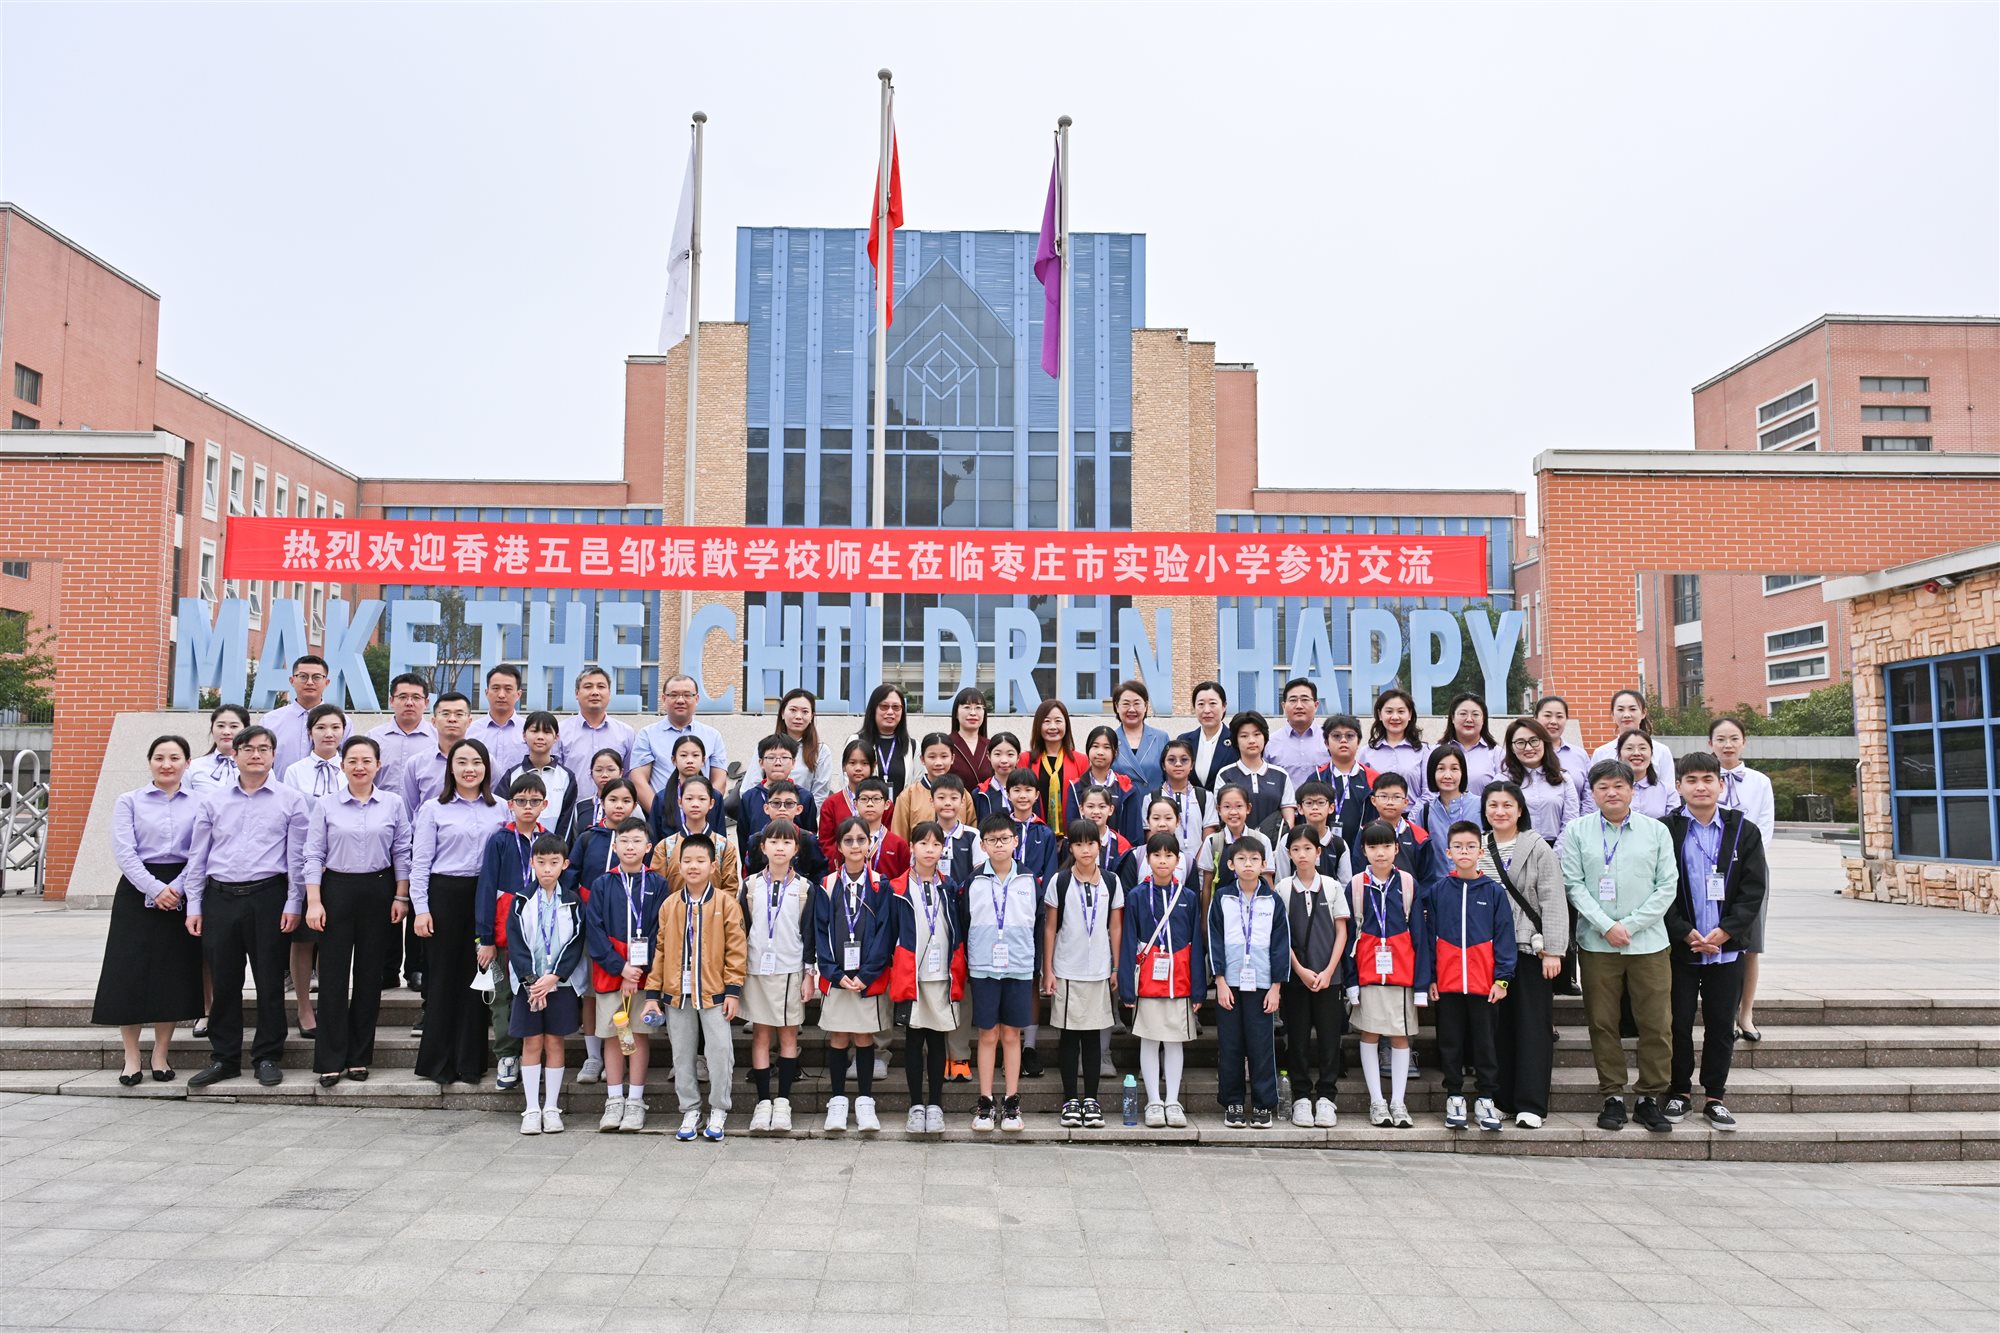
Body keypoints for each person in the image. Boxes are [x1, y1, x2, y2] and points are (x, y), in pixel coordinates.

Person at [183, 725, 308, 1089]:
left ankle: (267, 1056)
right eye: (248, 749)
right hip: (220, 898)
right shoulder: (213, 801)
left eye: (264, 749)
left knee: (270, 981)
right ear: (234, 754)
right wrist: (194, 905)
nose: (256, 755)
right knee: (225, 982)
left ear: (273, 756)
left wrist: (294, 902)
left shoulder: (291, 800)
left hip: (269, 897)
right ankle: (224, 1058)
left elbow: (297, 858)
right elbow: (198, 857)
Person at [1562, 758, 1679, 1133]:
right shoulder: (1577, 830)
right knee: (1602, 1021)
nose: (1611, 793)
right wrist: (1606, 925)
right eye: (1603, 787)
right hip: (1597, 944)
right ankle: (1612, 1094)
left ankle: (1649, 1097)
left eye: (1618, 786)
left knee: (1656, 1022)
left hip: (1649, 943)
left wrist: (1629, 925)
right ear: (1593, 793)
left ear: (1632, 790)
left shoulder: (1656, 831)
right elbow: (1573, 884)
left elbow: (1667, 886)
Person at [1663, 752, 1768, 1132]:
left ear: (1721, 784)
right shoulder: (1666, 829)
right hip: (1682, 947)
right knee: (1677, 1023)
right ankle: (1678, 1090)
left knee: (1721, 1024)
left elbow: (1753, 889)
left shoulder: (1743, 830)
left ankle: (1714, 1097)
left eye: (1708, 779)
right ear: (1678, 786)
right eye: (1691, 780)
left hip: (1726, 949)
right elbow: (1659, 887)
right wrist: (1682, 930)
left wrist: (1727, 931)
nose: (1700, 787)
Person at [94, 735, 205, 1085]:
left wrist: (178, 888)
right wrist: (155, 889)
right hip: (137, 887)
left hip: (182, 886)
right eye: (159, 757)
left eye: (174, 757)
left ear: (187, 763)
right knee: (129, 972)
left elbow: (201, 851)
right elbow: (124, 852)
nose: (166, 764)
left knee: (171, 973)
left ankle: (160, 1053)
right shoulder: (129, 801)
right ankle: (131, 1056)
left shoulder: (201, 803)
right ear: (149, 762)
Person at [301, 736, 411, 1086]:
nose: (359, 767)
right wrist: (314, 901)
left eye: (366, 761)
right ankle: (330, 1059)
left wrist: (401, 896)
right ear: (342, 765)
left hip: (379, 889)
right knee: (333, 977)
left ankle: (359, 1056)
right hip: (336, 889)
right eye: (352, 761)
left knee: (369, 977)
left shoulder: (393, 803)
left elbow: (402, 852)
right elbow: (313, 854)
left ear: (378, 765)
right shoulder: (326, 805)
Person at [410, 739, 504, 1086]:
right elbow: (420, 863)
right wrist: (421, 909)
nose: (469, 769)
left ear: (486, 768)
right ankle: (439, 1062)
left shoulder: (501, 808)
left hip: (485, 896)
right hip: (444, 896)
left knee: (478, 978)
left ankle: (470, 1062)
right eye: (462, 762)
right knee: (443, 978)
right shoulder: (434, 808)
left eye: (477, 762)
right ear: (450, 768)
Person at [642, 831, 746, 1142]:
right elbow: (661, 950)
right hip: (677, 994)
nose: (693, 866)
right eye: (687, 860)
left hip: (714, 992)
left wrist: (733, 990)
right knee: (682, 1055)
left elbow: (736, 950)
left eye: (700, 860)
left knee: (720, 1052)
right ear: (678, 864)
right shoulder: (670, 905)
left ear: (713, 866)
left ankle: (719, 1108)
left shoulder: (726, 903)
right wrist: (653, 994)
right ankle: (689, 1108)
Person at [1478, 780, 1567, 1129]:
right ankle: (1502, 1099)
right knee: (1497, 1027)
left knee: (1532, 1025)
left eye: (1507, 805)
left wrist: (1554, 951)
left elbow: (1553, 899)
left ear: (1520, 810)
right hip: (1488, 951)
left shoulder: (1537, 847)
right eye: (1493, 805)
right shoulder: (1478, 845)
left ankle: (1531, 1103)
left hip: (1530, 948)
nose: (1500, 811)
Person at [1428, 821, 1514, 1132]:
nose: (1464, 852)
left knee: (1485, 1044)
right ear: (1448, 852)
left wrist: (1502, 979)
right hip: (1448, 984)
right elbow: (1429, 937)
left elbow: (1504, 936)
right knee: (1450, 1042)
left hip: (1484, 985)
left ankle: (1486, 1098)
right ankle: (1454, 1096)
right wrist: (1431, 977)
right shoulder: (1438, 891)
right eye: (1458, 847)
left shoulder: (1493, 892)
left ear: (1481, 852)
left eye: (1470, 846)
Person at [583, 817, 666, 1132]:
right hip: (610, 973)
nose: (630, 847)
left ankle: (635, 1101)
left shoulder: (658, 884)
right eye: (624, 841)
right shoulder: (603, 884)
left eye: (637, 841)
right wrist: (621, 968)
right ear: (615, 846)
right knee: (614, 1035)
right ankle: (614, 1099)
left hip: (644, 975)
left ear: (648, 847)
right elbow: (594, 931)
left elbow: (661, 930)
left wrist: (638, 970)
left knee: (638, 1035)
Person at [1346, 820, 1430, 1128]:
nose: (1380, 852)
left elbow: (1420, 936)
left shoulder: (1407, 883)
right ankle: (1377, 1101)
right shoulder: (1356, 885)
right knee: (1369, 1034)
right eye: (1373, 846)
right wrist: (1351, 982)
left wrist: (1422, 984)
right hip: (1368, 972)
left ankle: (1398, 1102)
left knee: (1400, 1037)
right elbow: (1348, 937)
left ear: (1396, 848)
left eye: (1386, 846)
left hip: (1402, 973)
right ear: (1363, 850)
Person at [1041, 818, 1124, 1129]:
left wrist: (1116, 967)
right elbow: (1050, 928)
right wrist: (1048, 970)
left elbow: (1115, 927)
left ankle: (1091, 1099)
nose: (1085, 849)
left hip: (1099, 970)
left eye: (1090, 843)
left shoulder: (1111, 881)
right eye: (1078, 844)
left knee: (1093, 1038)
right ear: (1070, 848)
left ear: (1099, 845)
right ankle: (1070, 1100)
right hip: (1066, 969)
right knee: (1069, 1037)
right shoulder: (1060, 881)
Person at [1118, 830, 1203, 1129]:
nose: (1163, 860)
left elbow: (1197, 944)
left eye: (1169, 855)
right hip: (1148, 981)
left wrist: (1198, 989)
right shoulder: (1137, 895)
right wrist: (1127, 988)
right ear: (1148, 860)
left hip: (1180, 980)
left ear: (1178, 860)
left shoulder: (1188, 897)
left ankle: (1173, 1101)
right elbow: (1128, 942)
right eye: (1157, 855)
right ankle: (1154, 1101)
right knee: (1150, 1040)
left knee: (1175, 1041)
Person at [474, 773, 553, 1092]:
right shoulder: (500, 840)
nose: (527, 807)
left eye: (534, 801)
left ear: (545, 804)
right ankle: (507, 1055)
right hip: (502, 935)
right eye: (521, 801)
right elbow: (486, 888)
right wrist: (485, 939)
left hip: (541, 936)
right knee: (502, 997)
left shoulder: (550, 840)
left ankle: (535, 1055)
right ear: (510, 804)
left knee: (537, 992)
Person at [813, 817, 892, 1133]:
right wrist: (832, 973)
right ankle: (837, 1101)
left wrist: (869, 973)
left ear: (870, 845)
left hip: (865, 979)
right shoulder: (827, 884)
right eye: (849, 840)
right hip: (838, 977)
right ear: (839, 846)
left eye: (861, 839)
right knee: (838, 1037)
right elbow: (820, 931)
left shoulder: (880, 884)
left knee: (863, 1037)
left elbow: (885, 932)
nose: (856, 845)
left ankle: (865, 1101)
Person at [889, 822, 967, 1134]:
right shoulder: (897, 888)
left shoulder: (949, 887)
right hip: (912, 975)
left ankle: (935, 1104)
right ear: (912, 847)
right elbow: (890, 932)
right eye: (923, 843)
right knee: (913, 1041)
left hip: (941, 975)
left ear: (943, 849)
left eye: (936, 844)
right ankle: (915, 1105)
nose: (929, 850)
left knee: (937, 1040)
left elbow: (957, 929)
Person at [740, 818, 816, 1134]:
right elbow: (742, 930)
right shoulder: (750, 886)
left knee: (788, 1036)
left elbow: (809, 934)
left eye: (786, 842)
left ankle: (783, 1102)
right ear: (763, 847)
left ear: (796, 849)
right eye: (773, 841)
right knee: (760, 1035)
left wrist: (809, 974)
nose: (780, 847)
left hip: (790, 970)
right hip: (757, 970)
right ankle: (763, 1102)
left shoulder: (805, 888)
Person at [507, 834, 586, 1135]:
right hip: (528, 985)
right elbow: (516, 944)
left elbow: (575, 942)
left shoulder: (573, 901)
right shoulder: (521, 900)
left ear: (565, 864)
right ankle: (531, 1109)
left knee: (554, 1042)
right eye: (541, 862)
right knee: (532, 1042)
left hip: (559, 985)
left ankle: (551, 1107)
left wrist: (555, 976)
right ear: (532, 863)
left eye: (554, 862)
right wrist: (532, 981)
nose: (547, 869)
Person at [1208, 839, 1288, 1129]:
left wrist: (1276, 987)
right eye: (1241, 859)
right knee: (1230, 1044)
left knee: (1261, 1045)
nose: (1248, 865)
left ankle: (1263, 1104)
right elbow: (1214, 939)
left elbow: (1281, 945)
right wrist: (1219, 980)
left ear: (1264, 864)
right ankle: (1233, 1102)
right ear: (1231, 865)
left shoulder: (1273, 901)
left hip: (1262, 985)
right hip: (1229, 983)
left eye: (1255, 859)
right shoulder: (1222, 898)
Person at [1274, 823, 1349, 1128]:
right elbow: (1281, 936)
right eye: (1296, 849)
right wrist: (1299, 970)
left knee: (1330, 1038)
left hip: (1330, 977)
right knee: (1298, 1038)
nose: (1302, 854)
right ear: (1288, 854)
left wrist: (1329, 971)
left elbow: (1342, 932)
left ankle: (1327, 1097)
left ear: (1318, 852)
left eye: (1308, 848)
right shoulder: (1282, 889)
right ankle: (1302, 1097)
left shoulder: (1332, 886)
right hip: (1296, 978)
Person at [1708, 716, 1777, 1043]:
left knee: (1749, 945)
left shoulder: (1760, 782)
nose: (1727, 745)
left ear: (1744, 742)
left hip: (1749, 871)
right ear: (1710, 744)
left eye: (1734, 738)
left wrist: (1743, 864)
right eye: (1720, 739)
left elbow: (1764, 828)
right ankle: (1721, 1014)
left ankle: (1745, 1013)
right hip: (1708, 871)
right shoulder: (1702, 778)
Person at [967, 815, 1036, 1131]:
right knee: (987, 1034)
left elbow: (1038, 922)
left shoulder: (1029, 880)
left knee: (1011, 1034)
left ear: (1015, 841)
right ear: (983, 845)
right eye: (992, 840)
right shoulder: (974, 881)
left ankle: (1011, 1102)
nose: (999, 845)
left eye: (1005, 839)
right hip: (983, 967)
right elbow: (965, 920)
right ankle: (984, 1102)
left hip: (1018, 966)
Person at [630, 672, 729, 812]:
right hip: (662, 816)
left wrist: (701, 813)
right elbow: (639, 780)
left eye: (687, 695)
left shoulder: (712, 736)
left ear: (697, 698)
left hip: (702, 816)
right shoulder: (647, 735)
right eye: (674, 695)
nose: (680, 700)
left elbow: (719, 781)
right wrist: (661, 815)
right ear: (664, 698)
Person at [651, 775, 743, 901]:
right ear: (680, 802)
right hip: (675, 912)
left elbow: (730, 890)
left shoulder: (724, 846)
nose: (695, 804)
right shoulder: (665, 847)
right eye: (689, 798)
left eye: (702, 799)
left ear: (711, 803)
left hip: (715, 912)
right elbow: (658, 890)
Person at [496, 711, 578, 839]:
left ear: (556, 737)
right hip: (517, 845)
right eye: (534, 731)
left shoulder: (567, 777)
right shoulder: (511, 775)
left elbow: (566, 822)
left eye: (547, 732)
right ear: (524, 735)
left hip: (553, 849)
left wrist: (557, 847)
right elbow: (501, 813)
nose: (540, 737)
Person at [560, 664, 636, 796]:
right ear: (577, 693)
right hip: (572, 807)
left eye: (601, 686)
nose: (595, 692)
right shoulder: (560, 731)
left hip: (614, 807)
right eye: (588, 686)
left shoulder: (626, 733)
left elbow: (630, 776)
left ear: (609, 693)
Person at [1502, 718, 1579, 848]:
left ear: (1544, 742)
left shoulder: (1563, 779)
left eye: (1534, 741)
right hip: (1516, 849)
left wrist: (1554, 855)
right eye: (1520, 742)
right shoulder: (1503, 781)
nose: (1528, 748)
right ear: (1512, 748)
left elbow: (1571, 822)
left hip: (1558, 849)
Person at [739, 736, 820, 857]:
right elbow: (743, 838)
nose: (778, 763)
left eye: (784, 757)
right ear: (761, 762)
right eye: (771, 758)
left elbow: (809, 837)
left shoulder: (804, 796)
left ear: (793, 763)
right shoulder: (749, 797)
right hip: (759, 864)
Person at [260, 654, 340, 774]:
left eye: (317, 677)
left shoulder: (341, 722)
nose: (310, 682)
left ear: (327, 682)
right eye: (303, 676)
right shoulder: (269, 721)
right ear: (292, 681)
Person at [1215, 712, 1297, 829]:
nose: (1251, 740)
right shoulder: (1225, 775)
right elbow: (1221, 815)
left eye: (1257, 734)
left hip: (1273, 840)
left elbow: (1289, 819)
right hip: (1237, 839)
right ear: (1235, 741)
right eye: (1244, 736)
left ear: (1265, 737)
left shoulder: (1280, 775)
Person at [1306, 713, 1377, 848]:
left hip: (1364, 850)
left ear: (1358, 742)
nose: (1343, 740)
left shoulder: (1373, 779)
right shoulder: (1316, 778)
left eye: (1349, 736)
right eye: (1336, 736)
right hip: (1324, 849)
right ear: (1326, 743)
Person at [1136, 739, 1216, 856]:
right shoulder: (1152, 798)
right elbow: (1150, 835)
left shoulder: (1204, 796)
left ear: (1192, 765)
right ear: (1163, 765)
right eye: (1171, 760)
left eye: (1184, 760)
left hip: (1199, 863)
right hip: (1164, 862)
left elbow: (1209, 835)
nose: (1178, 764)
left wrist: (1196, 863)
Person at [1364, 772, 1443, 889]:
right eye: (1383, 796)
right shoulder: (1365, 833)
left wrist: (1418, 899)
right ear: (1373, 800)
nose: (1390, 802)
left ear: (1406, 802)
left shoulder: (1419, 837)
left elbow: (1427, 879)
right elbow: (1359, 868)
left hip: (1411, 897)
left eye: (1396, 797)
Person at [745, 780, 829, 884]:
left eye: (789, 804)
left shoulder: (808, 840)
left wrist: (810, 891)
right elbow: (749, 876)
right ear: (766, 808)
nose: (782, 809)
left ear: (798, 809)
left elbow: (820, 873)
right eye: (776, 803)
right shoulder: (756, 840)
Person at [1591, 688, 1677, 789]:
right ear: (1613, 714)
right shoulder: (1601, 753)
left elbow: (1669, 790)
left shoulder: (1661, 751)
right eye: (1620, 710)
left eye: (1632, 709)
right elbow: (1593, 790)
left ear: (1643, 713)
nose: (1626, 715)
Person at [1195, 785, 1272, 896]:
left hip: (1255, 904)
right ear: (1218, 809)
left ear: (1248, 808)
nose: (1233, 812)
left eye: (1239, 806)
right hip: (1221, 904)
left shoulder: (1262, 840)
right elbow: (1207, 886)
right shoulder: (1212, 841)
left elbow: (1267, 881)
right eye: (1227, 807)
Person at [1026, 700, 1087, 837]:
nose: (1053, 727)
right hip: (1035, 835)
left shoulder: (1081, 760)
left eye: (1058, 721)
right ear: (1038, 725)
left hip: (1072, 836)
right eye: (1046, 721)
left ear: (1066, 724)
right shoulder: (1026, 759)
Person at [1063, 727, 1134, 842]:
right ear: (1088, 750)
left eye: (1106, 747)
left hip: (1118, 851)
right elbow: (1072, 828)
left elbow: (1133, 832)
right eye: (1095, 746)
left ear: (1115, 752)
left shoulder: (1126, 788)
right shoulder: (1076, 787)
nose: (1100, 752)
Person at [816, 740, 876, 870]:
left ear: (873, 766)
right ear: (844, 766)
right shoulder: (831, 803)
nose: (858, 768)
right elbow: (826, 843)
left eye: (864, 763)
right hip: (841, 870)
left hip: (876, 868)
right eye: (852, 763)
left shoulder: (882, 803)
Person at [1587, 729, 1673, 819]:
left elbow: (1674, 822)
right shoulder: (1606, 790)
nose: (1636, 753)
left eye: (1642, 748)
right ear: (1619, 754)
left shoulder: (1666, 790)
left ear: (1651, 754)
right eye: (1629, 748)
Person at [368, 674, 437, 784]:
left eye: (416, 697)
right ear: (391, 701)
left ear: (426, 703)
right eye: (403, 697)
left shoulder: (438, 738)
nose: (409, 703)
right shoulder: (373, 737)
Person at [1360, 688, 1427, 797]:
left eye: (1401, 711)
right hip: (1377, 808)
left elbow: (1429, 792)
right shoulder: (1366, 753)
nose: (1395, 717)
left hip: (1413, 808)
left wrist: (1412, 809)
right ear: (1380, 714)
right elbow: (1363, 792)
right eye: (1389, 711)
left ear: (1410, 714)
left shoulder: (1423, 751)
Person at [646, 734, 713, 844]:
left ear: (703, 760)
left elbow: (721, 838)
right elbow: (654, 838)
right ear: (674, 760)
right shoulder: (662, 798)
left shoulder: (714, 796)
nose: (689, 760)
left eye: (695, 755)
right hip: (670, 854)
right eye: (683, 755)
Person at [852, 683, 914, 799]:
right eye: (884, 706)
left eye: (896, 707)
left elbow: (917, 789)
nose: (890, 712)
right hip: (864, 809)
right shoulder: (856, 741)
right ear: (873, 709)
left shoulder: (913, 747)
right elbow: (848, 783)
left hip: (901, 810)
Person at [465, 664, 528, 777]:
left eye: (508, 689)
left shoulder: (529, 730)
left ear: (518, 694)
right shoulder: (470, 732)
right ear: (486, 692)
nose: (501, 695)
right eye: (495, 688)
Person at [891, 732, 957, 840]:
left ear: (952, 758)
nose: (938, 762)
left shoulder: (962, 795)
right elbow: (898, 838)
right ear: (922, 759)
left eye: (944, 756)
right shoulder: (908, 796)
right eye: (932, 757)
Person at [1267, 677, 1331, 787]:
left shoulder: (1330, 738)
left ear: (1316, 705)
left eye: (1305, 700)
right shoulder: (1270, 742)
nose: (1299, 706)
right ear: (1283, 706)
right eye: (1293, 700)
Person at [1176, 680, 1238, 791]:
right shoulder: (1183, 741)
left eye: (1213, 703)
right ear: (1194, 707)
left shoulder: (1236, 741)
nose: (1207, 710)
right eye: (1201, 704)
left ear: (1224, 706)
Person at [777, 688, 837, 802]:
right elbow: (750, 787)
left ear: (811, 717)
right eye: (793, 710)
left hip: (804, 812)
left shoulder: (821, 751)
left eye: (805, 712)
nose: (798, 716)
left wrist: (802, 812)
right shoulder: (767, 748)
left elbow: (820, 795)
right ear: (782, 713)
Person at [1110, 679, 1170, 791]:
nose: (1132, 709)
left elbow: (1171, 778)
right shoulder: (1109, 740)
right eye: (1126, 704)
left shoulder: (1161, 738)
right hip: (1123, 801)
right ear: (1117, 706)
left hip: (1155, 801)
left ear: (1146, 706)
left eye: (1137, 703)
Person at [1414, 744, 1477, 846]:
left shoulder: (1479, 806)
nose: (1447, 776)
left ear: (1463, 772)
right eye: (1441, 768)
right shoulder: (1425, 812)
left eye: (1454, 769)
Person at [1439, 692, 1502, 795]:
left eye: (1475, 714)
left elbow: (1504, 792)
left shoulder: (1497, 754)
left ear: (1483, 719)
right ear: (1452, 718)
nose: (1469, 719)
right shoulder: (1436, 751)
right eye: (1463, 714)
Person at [1289, 782, 1354, 881]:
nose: (1315, 807)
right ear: (1300, 808)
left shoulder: (1339, 845)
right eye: (1309, 803)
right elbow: (1282, 881)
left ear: (1331, 808)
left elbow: (1345, 883)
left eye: (1321, 802)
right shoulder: (1288, 840)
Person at [1533, 695, 1591, 800]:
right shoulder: (1528, 754)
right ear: (1535, 718)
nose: (1553, 721)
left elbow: (1589, 794)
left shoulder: (1580, 755)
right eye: (1547, 715)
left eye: (1559, 716)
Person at [569, 749, 632, 842]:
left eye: (611, 770)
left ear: (621, 773)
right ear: (591, 773)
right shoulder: (580, 806)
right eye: (598, 770)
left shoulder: (630, 806)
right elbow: (575, 840)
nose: (604, 775)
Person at [186, 704, 250, 794]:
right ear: (212, 729)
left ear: (246, 730)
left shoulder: (258, 766)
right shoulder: (193, 767)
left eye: (234, 726)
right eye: (220, 726)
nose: (226, 732)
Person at [946, 687, 993, 791]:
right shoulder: (945, 744)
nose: (973, 713)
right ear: (956, 713)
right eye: (967, 707)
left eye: (978, 707)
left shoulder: (992, 746)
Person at [973, 731, 1021, 821]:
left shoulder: (1028, 790)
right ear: (989, 756)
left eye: (1010, 754)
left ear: (1018, 757)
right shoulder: (979, 794)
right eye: (997, 754)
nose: (1004, 760)